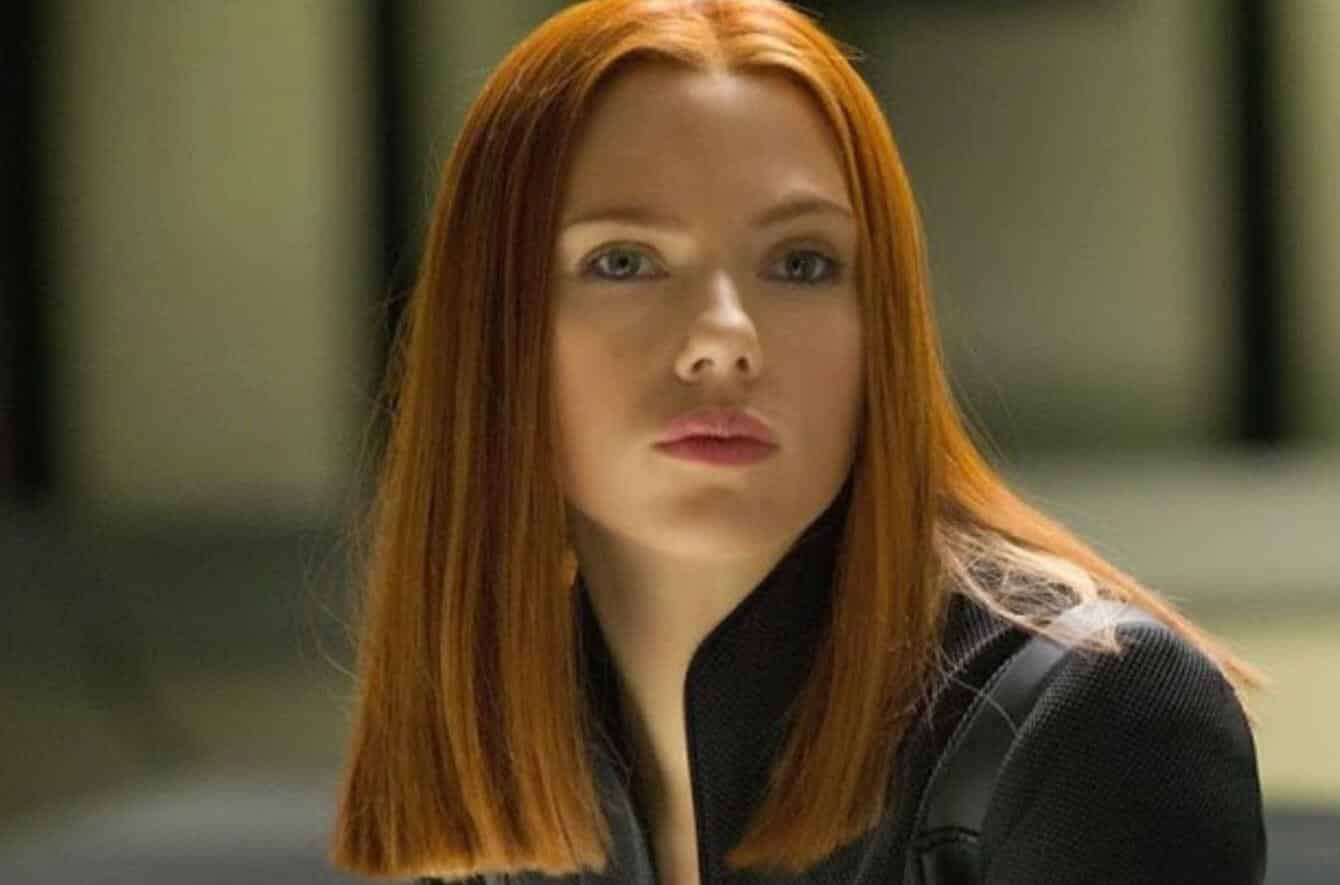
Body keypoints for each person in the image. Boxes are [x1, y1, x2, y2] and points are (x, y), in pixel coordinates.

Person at [327, 1, 1269, 883]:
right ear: (492, 332)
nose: (724, 337)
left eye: (802, 262)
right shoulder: (521, 750)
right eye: (624, 260)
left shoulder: (1094, 724)